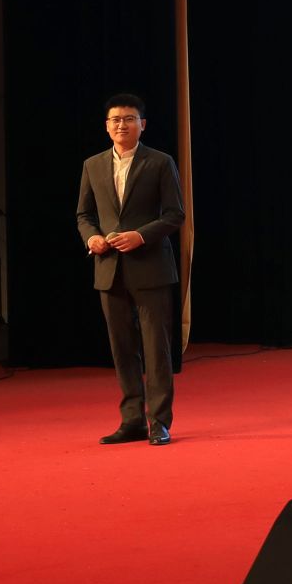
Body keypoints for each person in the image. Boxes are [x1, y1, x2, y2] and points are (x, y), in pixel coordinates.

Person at [77, 93, 185, 447]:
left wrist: (141, 236)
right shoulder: (93, 164)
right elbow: (84, 215)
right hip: (109, 269)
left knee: (156, 349)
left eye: (129, 119)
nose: (121, 125)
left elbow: (175, 214)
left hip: (151, 267)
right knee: (122, 349)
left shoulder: (160, 162)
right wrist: (92, 238)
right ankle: (132, 420)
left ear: (142, 124)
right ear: (106, 126)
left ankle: (159, 422)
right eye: (115, 120)